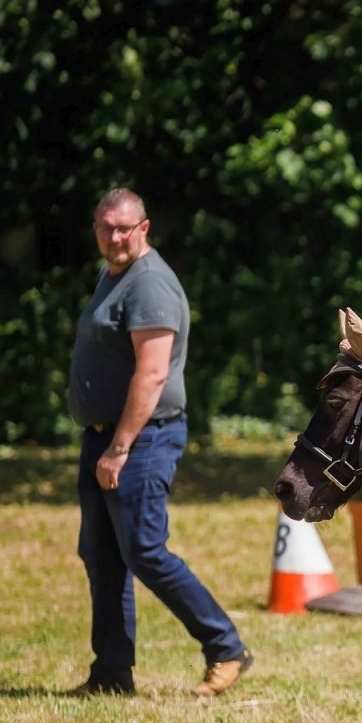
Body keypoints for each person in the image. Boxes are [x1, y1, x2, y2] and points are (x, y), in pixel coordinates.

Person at [66, 188, 253, 697]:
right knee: (103, 556)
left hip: (140, 440)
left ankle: (226, 648)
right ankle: (111, 673)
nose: (115, 236)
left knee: (145, 550)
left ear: (144, 228)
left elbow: (151, 376)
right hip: (105, 438)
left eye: (125, 227)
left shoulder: (149, 285)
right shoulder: (113, 275)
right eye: (106, 227)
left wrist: (120, 447)